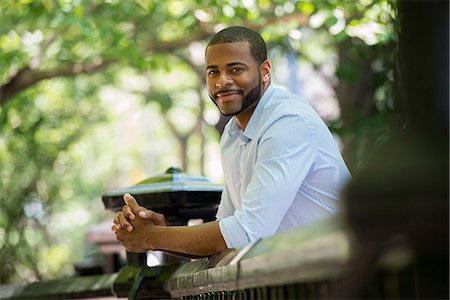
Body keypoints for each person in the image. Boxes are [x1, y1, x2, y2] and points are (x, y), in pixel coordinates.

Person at [112, 26, 351, 257]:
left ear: (265, 71)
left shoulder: (288, 122)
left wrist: (152, 237)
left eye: (235, 69)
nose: (221, 81)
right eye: (213, 72)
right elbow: (226, 235)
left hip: (344, 272)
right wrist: (156, 234)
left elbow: (247, 232)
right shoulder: (233, 134)